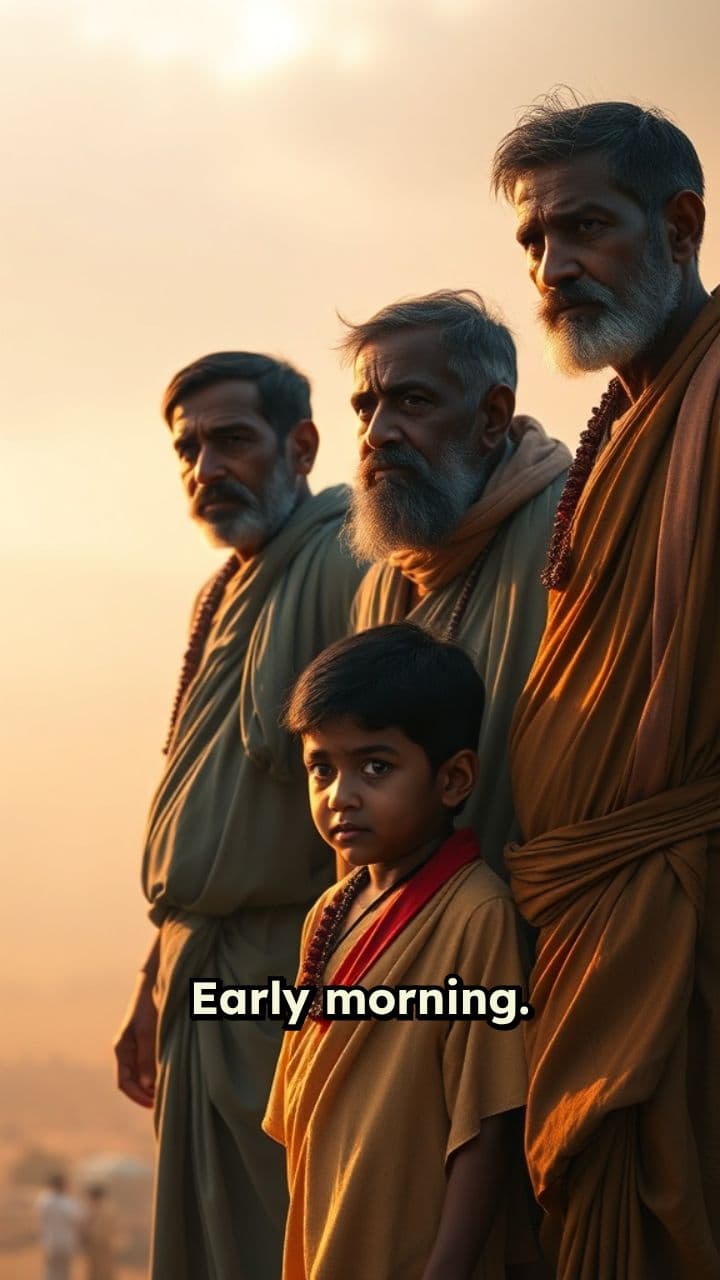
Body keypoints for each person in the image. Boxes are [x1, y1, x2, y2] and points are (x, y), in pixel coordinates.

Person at [492, 96, 720, 1277]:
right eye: (534, 243)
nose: (555, 265)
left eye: (586, 228)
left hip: (681, 927)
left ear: (680, 224)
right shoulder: (630, 418)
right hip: (587, 925)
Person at [113, 352, 365, 1280]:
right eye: (188, 449)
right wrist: (152, 976)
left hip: (288, 974)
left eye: (231, 441)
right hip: (196, 973)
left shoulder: (347, 557)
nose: (205, 468)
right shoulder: (220, 594)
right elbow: (203, 810)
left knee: (285, 1243)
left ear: (299, 445)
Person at [264, 624, 541, 1280]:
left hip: (417, 1248)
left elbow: (487, 1124)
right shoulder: (327, 916)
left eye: (376, 766)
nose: (341, 795)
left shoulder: (476, 914)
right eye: (321, 768)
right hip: (333, 1229)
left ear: (453, 779)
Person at [344, 290, 570, 876]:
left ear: (492, 416)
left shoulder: (574, 525)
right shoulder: (383, 579)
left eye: (411, 401)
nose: (376, 434)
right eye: (364, 409)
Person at [36, 1174, 83, 1280]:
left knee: (50, 1272)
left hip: (50, 1242)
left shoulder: (43, 1200)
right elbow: (78, 1219)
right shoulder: (68, 1203)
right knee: (64, 1273)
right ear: (63, 1185)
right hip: (65, 1243)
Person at [81, 1186, 117, 1280]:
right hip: (99, 1245)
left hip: (100, 1244)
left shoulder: (98, 1209)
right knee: (98, 1271)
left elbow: (90, 1229)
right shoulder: (106, 1209)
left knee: (101, 1272)